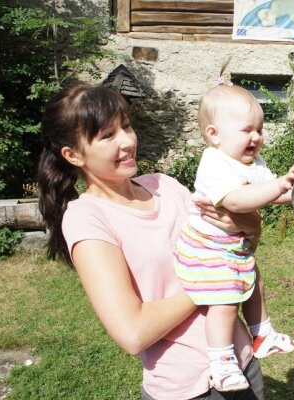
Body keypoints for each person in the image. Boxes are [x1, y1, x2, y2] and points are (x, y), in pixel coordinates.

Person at [37, 82, 265, 400]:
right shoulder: (87, 217)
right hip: (188, 389)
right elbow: (133, 333)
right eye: (107, 136)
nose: (127, 142)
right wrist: (210, 279)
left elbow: (238, 246)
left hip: (241, 362)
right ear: (73, 155)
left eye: (126, 127)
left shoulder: (165, 186)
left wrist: (251, 224)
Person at [173, 77, 294, 391]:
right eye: (247, 130)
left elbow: (268, 192)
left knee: (255, 285)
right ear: (214, 135)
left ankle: (263, 333)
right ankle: (221, 362)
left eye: (259, 129)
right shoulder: (214, 162)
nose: (256, 137)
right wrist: (279, 185)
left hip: (234, 248)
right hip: (208, 250)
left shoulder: (253, 162)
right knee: (225, 302)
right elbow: (234, 200)